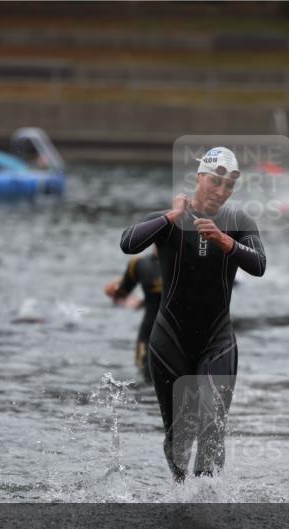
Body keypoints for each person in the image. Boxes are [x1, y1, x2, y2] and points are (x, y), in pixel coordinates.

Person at [119, 147, 267, 482]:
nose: (221, 190)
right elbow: (128, 243)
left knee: (212, 424)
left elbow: (259, 264)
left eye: (229, 185)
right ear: (199, 177)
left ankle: (206, 500)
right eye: (215, 181)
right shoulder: (170, 219)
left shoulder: (239, 223)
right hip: (169, 341)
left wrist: (223, 240)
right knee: (179, 436)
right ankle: (180, 492)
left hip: (217, 340)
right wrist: (171, 216)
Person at [104, 247, 162, 383]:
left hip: (150, 332)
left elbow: (119, 294)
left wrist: (114, 289)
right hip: (176, 333)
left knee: (147, 379)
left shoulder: (140, 264)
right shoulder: (189, 261)